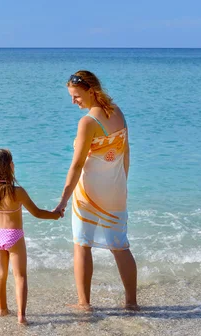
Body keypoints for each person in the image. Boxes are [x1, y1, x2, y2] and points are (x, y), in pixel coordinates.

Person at [54, 70, 139, 311]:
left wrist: (63, 200)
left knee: (82, 245)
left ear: (91, 91)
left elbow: (77, 165)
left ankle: (84, 303)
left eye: (76, 96)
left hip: (88, 193)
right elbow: (126, 153)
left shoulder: (88, 123)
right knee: (120, 246)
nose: (73, 101)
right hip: (115, 191)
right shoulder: (117, 112)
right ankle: (131, 303)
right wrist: (122, 183)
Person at [0, 148, 61, 325]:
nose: (13, 164)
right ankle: (21, 316)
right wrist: (55, 215)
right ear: (8, 167)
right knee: (20, 276)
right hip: (14, 235)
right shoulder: (17, 192)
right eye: (11, 162)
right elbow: (37, 213)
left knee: (0, 275)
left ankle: (2, 310)